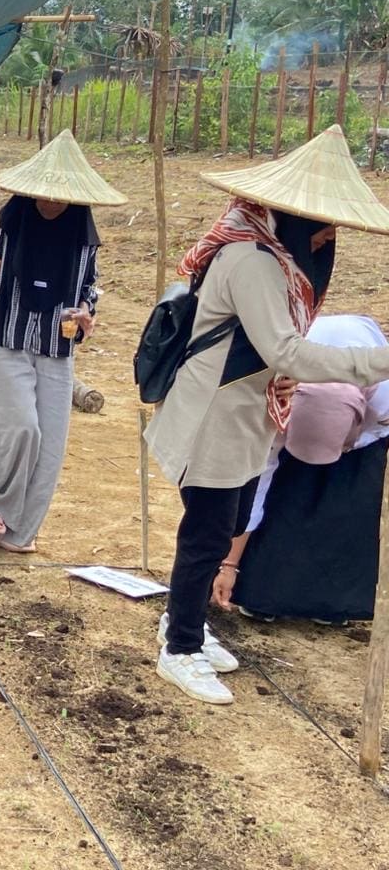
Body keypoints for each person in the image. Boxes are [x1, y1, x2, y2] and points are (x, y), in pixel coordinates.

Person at [146, 125, 389, 704]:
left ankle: (185, 623)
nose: (331, 235)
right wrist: (380, 359)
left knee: (225, 520)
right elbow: (286, 351)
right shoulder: (251, 259)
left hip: (248, 409)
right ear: (295, 215)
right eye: (324, 223)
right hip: (215, 412)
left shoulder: (278, 258)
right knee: (206, 531)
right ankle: (179, 647)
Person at [0, 130, 125, 554]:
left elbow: (91, 289)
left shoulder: (84, 240)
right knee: (20, 427)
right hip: (6, 338)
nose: (51, 204)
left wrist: (88, 313)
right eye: (43, 196)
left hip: (57, 345)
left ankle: (20, 532)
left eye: (62, 198)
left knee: (50, 444)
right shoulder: (3, 229)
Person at [211, 315, 389, 625]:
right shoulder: (279, 399)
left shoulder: (383, 400)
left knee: (353, 500)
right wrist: (229, 564)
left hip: (365, 424)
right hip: (310, 383)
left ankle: (336, 604)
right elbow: (258, 486)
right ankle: (262, 594)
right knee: (286, 493)